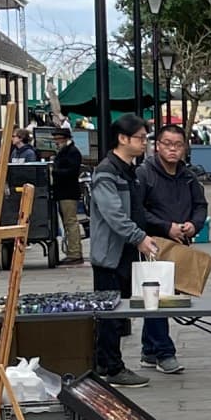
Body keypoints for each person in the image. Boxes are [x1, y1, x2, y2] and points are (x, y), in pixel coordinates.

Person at [87, 114, 158, 379]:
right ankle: (111, 367)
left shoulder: (130, 171)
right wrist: (138, 236)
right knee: (110, 314)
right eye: (140, 138)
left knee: (121, 312)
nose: (144, 144)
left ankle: (108, 363)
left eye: (145, 138)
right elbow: (113, 213)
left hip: (127, 252)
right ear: (122, 138)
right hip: (111, 255)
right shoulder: (107, 171)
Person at [134, 120, 206, 378]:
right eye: (167, 144)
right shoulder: (144, 174)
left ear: (185, 148)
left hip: (181, 243)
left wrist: (192, 225)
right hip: (152, 244)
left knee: (160, 298)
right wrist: (167, 226)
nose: (173, 150)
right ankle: (165, 352)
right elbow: (138, 210)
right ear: (157, 147)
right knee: (157, 297)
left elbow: (201, 205)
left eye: (178, 145)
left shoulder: (188, 176)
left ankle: (149, 351)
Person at [51, 128, 87, 266]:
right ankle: (72, 252)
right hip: (63, 192)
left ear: (65, 139)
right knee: (68, 222)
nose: (56, 142)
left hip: (68, 192)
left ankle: (75, 253)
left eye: (58, 139)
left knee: (71, 222)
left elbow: (71, 171)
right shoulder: (65, 152)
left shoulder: (72, 152)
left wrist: (55, 172)